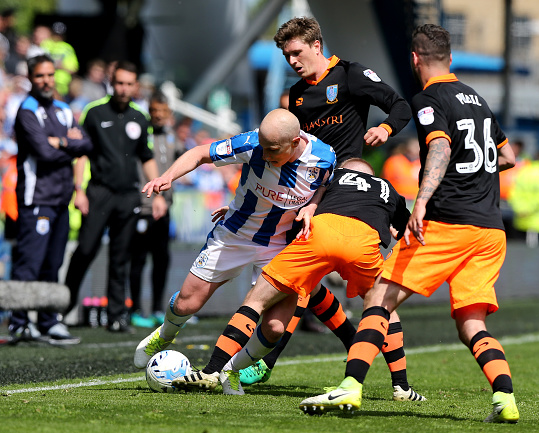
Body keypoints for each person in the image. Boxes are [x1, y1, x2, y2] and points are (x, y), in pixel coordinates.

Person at [297, 24, 519, 423]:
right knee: (471, 322)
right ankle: (505, 400)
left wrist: (422, 201)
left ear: (414, 59)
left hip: (448, 224)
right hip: (490, 229)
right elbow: (507, 158)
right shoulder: (480, 102)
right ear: (450, 58)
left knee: (379, 299)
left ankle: (350, 388)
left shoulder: (429, 98)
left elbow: (438, 146)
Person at [237, 16, 423, 403]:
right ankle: (299, 353)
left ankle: (397, 380)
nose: (292, 61)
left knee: (364, 292)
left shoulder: (353, 76)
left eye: (297, 52)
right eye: (286, 55)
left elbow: (400, 105)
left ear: (316, 45)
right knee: (300, 283)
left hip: (349, 193)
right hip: (307, 195)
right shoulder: (297, 95)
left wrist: (386, 129)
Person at [171, 158, 409, 397]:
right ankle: (401, 386)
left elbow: (284, 204)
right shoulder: (387, 188)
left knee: (256, 300)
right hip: (364, 246)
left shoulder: (329, 178)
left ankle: (213, 370)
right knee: (383, 307)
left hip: (319, 235)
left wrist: (241, 213)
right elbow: (411, 230)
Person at [133, 108, 336, 369]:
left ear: (295, 143)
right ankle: (163, 336)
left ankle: (231, 370)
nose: (265, 154)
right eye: (263, 147)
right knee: (187, 304)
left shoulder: (324, 156)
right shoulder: (252, 143)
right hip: (235, 234)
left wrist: (313, 205)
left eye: (273, 149)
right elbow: (200, 153)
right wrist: (167, 177)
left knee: (275, 327)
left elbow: (326, 182)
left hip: (279, 246)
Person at [64, 61, 167, 333]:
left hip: (128, 195)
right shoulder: (94, 112)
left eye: (128, 84)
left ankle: (117, 316)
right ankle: (62, 308)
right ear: (112, 82)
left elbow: (146, 156)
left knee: (121, 256)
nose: (123, 88)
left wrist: (157, 193)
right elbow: (82, 152)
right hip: (99, 192)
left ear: (135, 85)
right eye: (119, 83)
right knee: (85, 250)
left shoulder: (140, 117)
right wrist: (79, 190)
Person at [8, 54, 92, 343]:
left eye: (49, 75)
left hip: (61, 197)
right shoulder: (27, 110)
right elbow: (43, 153)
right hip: (36, 198)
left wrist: (63, 142)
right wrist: (69, 145)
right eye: (40, 76)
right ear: (31, 78)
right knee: (29, 262)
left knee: (53, 263)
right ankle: (19, 321)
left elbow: (87, 145)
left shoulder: (64, 110)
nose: (45, 81)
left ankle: (47, 321)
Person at [129, 91, 185, 328]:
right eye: (154, 112)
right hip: (142, 207)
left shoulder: (173, 138)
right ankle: (134, 309)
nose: (159, 116)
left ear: (169, 114)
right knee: (138, 258)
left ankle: (157, 308)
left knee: (161, 259)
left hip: (164, 208)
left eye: (163, 112)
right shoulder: (142, 135)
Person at [40, 22, 79, 97]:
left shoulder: (67, 48)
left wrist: (60, 66)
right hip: (45, 82)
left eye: (59, 35)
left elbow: (74, 69)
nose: (57, 37)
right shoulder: (45, 44)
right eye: (55, 34)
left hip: (62, 87)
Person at [381, 137, 421, 209]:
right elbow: (386, 180)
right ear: (406, 149)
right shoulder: (394, 161)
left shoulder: (421, 163)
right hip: (397, 198)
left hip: (416, 200)